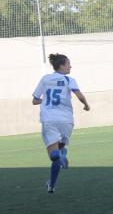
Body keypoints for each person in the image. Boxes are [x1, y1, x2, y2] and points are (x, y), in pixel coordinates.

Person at [32, 53, 90, 193]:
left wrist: (45, 101)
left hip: (49, 120)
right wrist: (86, 105)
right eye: (69, 63)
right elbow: (79, 95)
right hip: (66, 121)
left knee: (54, 155)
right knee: (60, 149)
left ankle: (54, 177)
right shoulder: (69, 80)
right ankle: (53, 179)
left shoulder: (45, 79)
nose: (70, 66)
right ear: (62, 65)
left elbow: (35, 100)